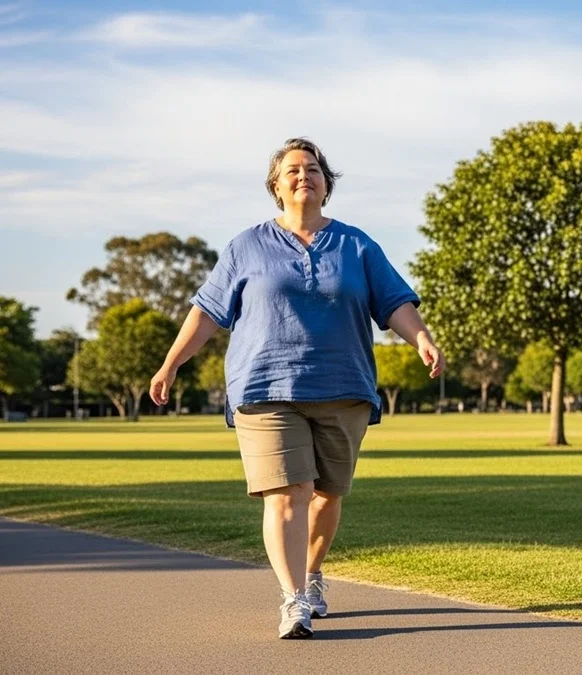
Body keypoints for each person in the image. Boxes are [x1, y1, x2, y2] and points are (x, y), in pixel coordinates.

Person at [149, 137, 444, 639]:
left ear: (327, 184)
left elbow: (393, 300)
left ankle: (311, 575)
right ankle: (293, 600)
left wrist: (422, 337)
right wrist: (171, 363)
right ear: (276, 185)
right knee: (289, 494)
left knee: (327, 495)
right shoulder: (247, 246)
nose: (303, 175)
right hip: (265, 386)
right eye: (292, 170)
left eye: (313, 169)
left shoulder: (357, 245)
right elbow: (207, 312)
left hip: (343, 386)